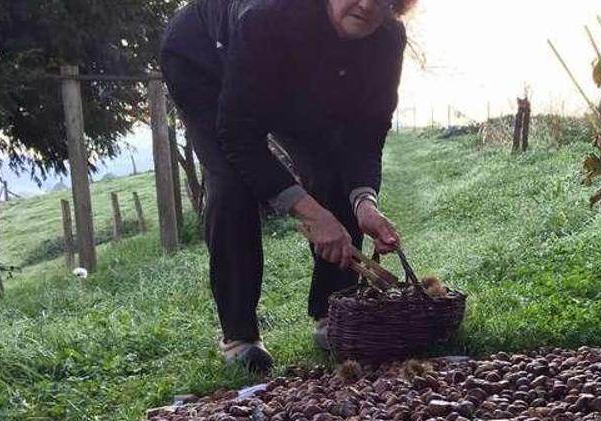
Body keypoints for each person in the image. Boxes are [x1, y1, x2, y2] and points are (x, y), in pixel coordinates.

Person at [160, 0, 414, 373]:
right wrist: (310, 212)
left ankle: (334, 313)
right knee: (232, 183)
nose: (366, 4)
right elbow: (239, 135)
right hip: (204, 60)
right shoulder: (270, 16)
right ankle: (240, 335)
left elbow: (365, 132)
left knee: (331, 164)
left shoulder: (387, 38)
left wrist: (364, 202)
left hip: (285, 77)